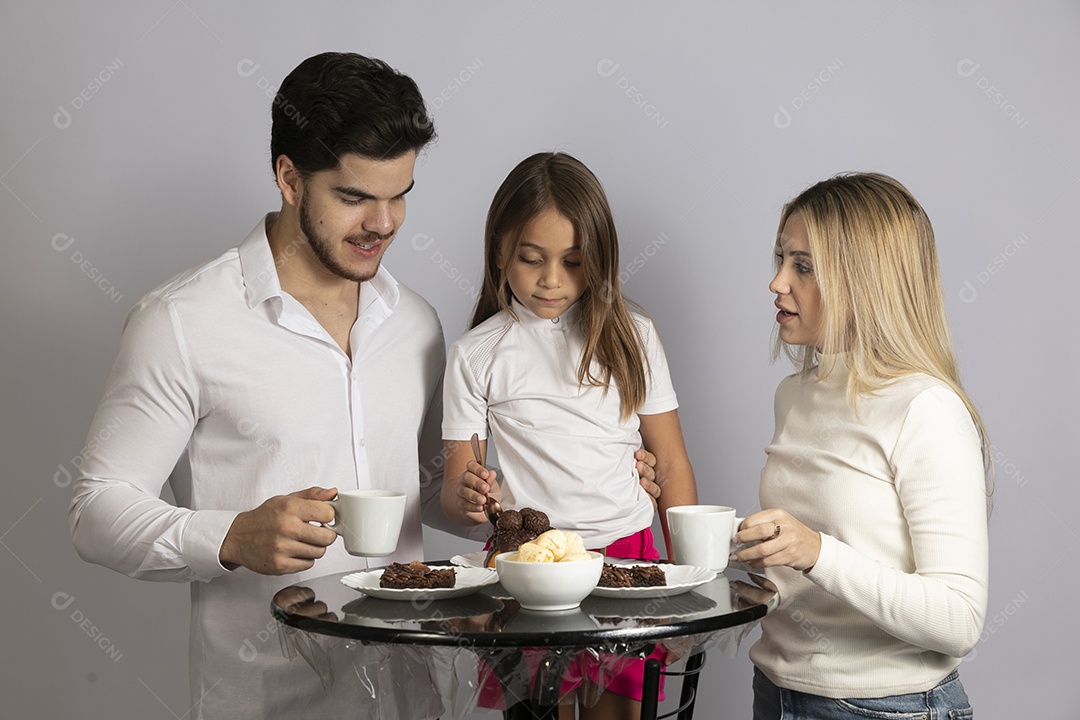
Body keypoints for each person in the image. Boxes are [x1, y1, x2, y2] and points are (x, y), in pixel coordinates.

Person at [67, 52, 468, 720]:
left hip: (410, 698)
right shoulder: (182, 322)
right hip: (273, 704)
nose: (384, 223)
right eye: (354, 197)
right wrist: (231, 538)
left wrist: (514, 492)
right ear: (288, 176)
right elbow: (95, 509)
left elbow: (430, 491)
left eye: (399, 195)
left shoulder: (417, 323)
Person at [440, 151, 699, 719]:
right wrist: (467, 497)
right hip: (526, 570)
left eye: (574, 262)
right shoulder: (475, 354)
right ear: (500, 252)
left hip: (626, 562)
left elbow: (672, 463)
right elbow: (458, 488)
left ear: (600, 260)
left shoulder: (635, 337)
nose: (552, 281)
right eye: (532, 259)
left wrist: (687, 581)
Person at [735, 173, 990, 719]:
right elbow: (819, 575)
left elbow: (960, 620)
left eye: (803, 266)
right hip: (776, 692)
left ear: (866, 281)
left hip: (885, 707)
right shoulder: (794, 395)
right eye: (781, 258)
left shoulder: (926, 408)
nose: (777, 282)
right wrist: (757, 583)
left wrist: (816, 552)